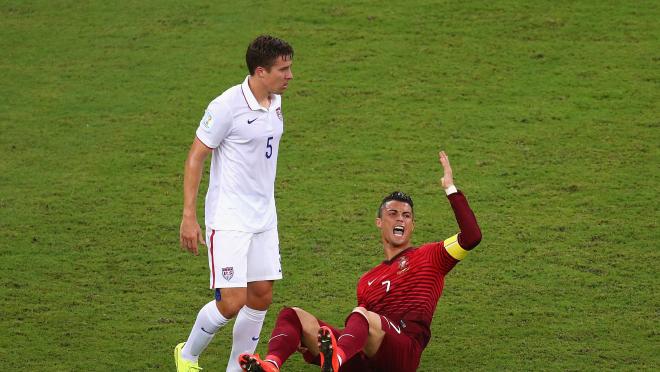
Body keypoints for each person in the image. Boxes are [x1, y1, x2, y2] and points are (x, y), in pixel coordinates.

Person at [238, 151, 482, 372]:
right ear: (379, 222)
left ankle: (336, 360)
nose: (401, 220)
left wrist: (450, 188)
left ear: (413, 225)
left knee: (362, 315)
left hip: (404, 352)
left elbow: (472, 237)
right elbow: (361, 334)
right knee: (294, 316)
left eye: (407, 216)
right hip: (366, 359)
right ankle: (271, 364)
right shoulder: (367, 281)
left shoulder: (432, 255)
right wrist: (314, 342)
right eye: (393, 213)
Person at [174, 35, 294, 372]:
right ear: (260, 71)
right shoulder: (226, 106)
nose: (290, 76)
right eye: (283, 69)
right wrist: (189, 215)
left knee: (261, 295)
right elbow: (196, 157)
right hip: (229, 219)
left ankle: (237, 369)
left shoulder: (275, 101)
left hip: (264, 218)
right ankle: (187, 355)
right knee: (231, 301)